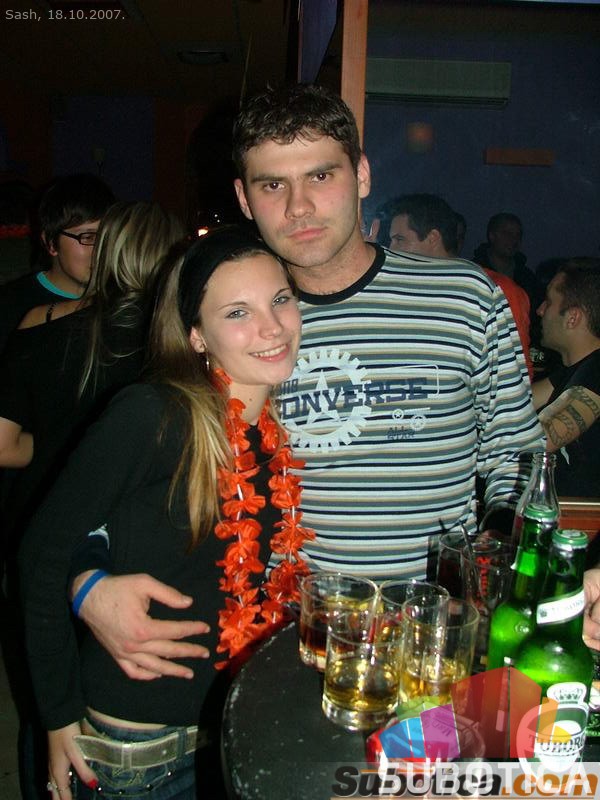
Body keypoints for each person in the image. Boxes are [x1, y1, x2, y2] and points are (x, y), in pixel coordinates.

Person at [69, 84, 546, 678]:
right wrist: (87, 584)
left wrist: (491, 559)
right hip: (285, 641)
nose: (298, 207)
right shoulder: (236, 322)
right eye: (273, 185)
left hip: (433, 637)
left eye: (320, 176)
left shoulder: (465, 298)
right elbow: (119, 473)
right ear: (244, 199)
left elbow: (517, 458)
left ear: (362, 175)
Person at [20, 225, 306, 799]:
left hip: (229, 735)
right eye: (237, 312)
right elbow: (40, 554)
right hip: (139, 758)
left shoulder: (268, 431)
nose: (272, 327)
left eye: (280, 299)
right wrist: (57, 715)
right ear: (196, 336)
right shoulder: (154, 414)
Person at [0, 201, 183, 800]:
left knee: (48, 695)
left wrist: (55, 445)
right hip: (126, 551)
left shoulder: (42, 323)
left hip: (43, 529)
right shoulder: (183, 349)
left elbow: (4, 445)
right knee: (97, 690)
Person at [376, 193, 533, 380]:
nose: (391, 249)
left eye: (399, 239)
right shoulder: (400, 291)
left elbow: (514, 376)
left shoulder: (494, 290)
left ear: (433, 238)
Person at [0, 173, 114, 355]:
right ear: (51, 243)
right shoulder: (11, 307)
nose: (102, 249)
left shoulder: (123, 301)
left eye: (109, 236)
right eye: (88, 237)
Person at [532, 258, 600, 497]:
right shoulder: (571, 371)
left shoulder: (597, 372)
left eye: (548, 302)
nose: (540, 310)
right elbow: (513, 402)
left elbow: (540, 441)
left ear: (572, 318)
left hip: (583, 518)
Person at [472, 211, 541, 313]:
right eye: (507, 234)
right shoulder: (476, 271)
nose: (514, 239)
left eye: (518, 235)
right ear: (492, 236)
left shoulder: (527, 278)